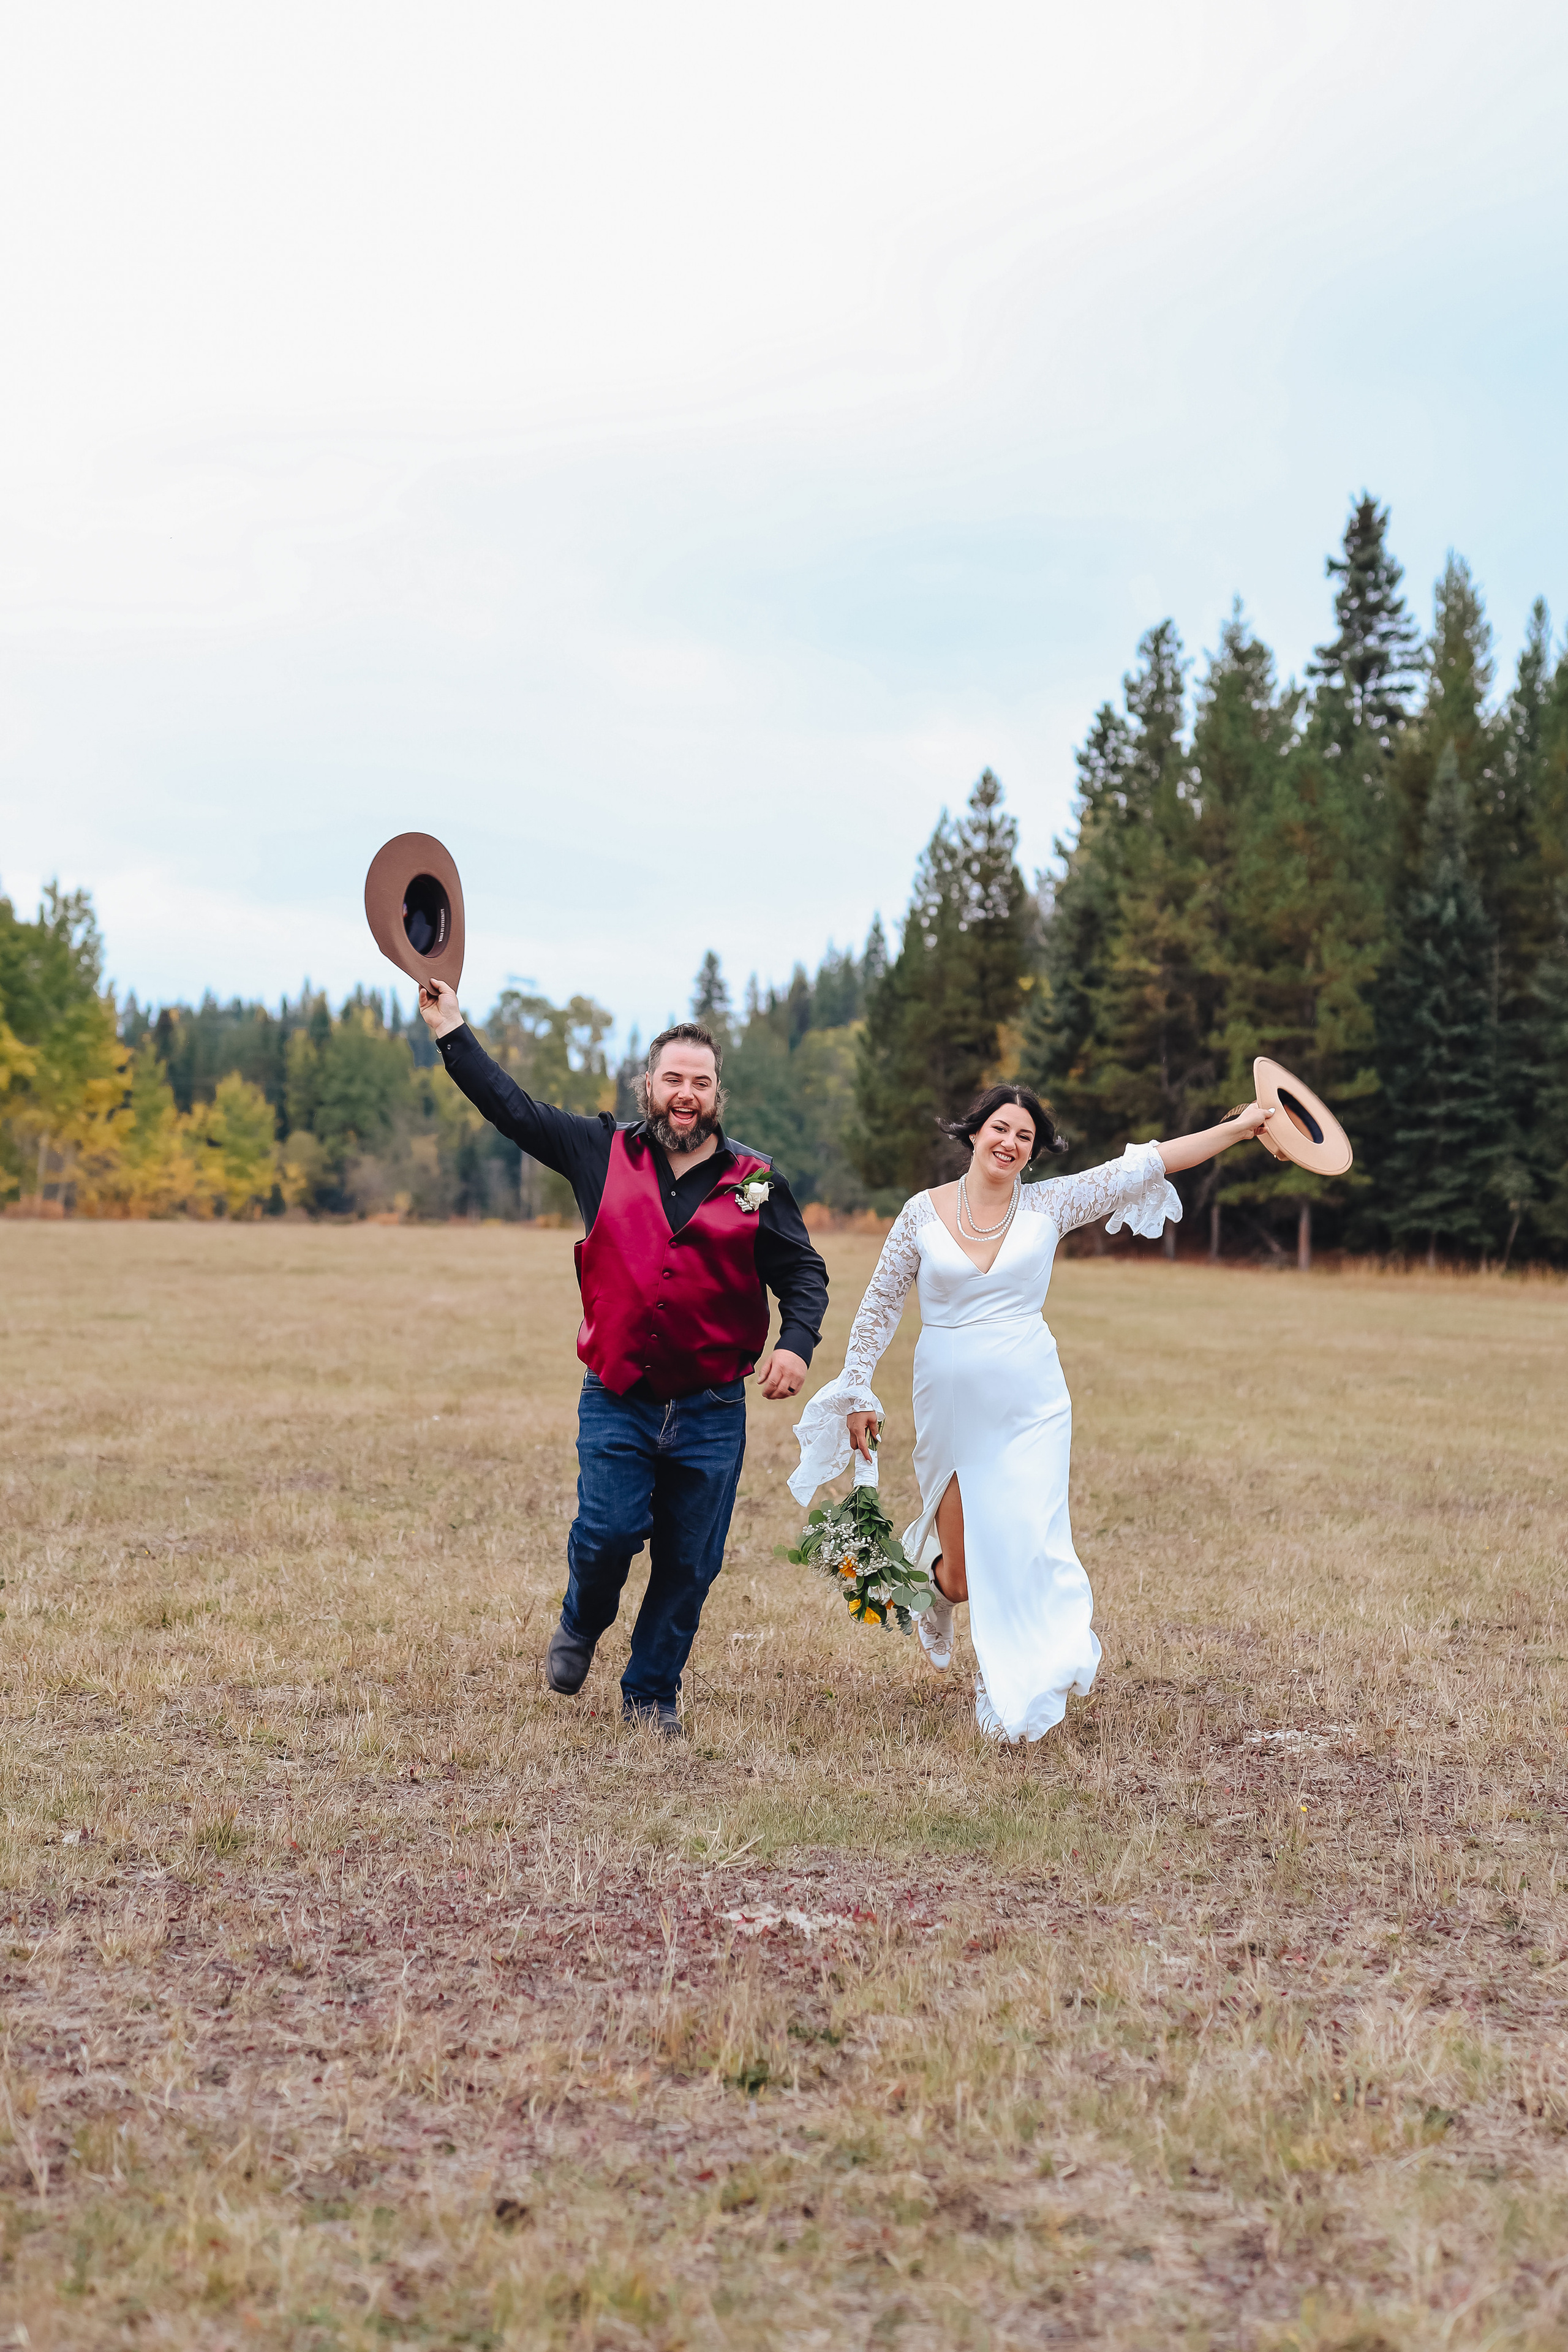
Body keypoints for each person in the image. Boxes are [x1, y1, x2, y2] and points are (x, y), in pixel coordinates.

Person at [790, 1085, 1272, 1743]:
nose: (1010, 1142)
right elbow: (878, 1307)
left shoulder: (1051, 1202)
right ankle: (935, 1593)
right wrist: (856, 1390)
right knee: (960, 1572)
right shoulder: (920, 1214)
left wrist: (1240, 1129)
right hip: (948, 1405)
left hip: (1032, 1404)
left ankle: (1003, 1680)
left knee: (1019, 1541)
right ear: (973, 1133)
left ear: (1034, 1150)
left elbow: (1151, 1162)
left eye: (1025, 1136)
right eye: (1000, 1128)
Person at [420, 984, 828, 1737]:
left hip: (711, 1406)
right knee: (608, 1531)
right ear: (649, 1086)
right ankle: (582, 1620)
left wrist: (795, 1345)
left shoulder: (756, 1181)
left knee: (689, 1563)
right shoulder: (598, 1151)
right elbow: (512, 1108)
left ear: (717, 1095)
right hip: (617, 1393)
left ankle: (650, 1694)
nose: (685, 1094)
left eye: (700, 1082)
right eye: (673, 1079)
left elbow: (802, 1273)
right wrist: (450, 1029)